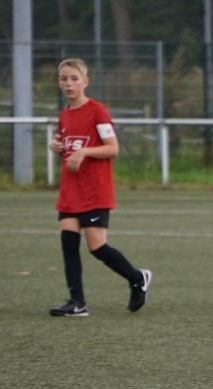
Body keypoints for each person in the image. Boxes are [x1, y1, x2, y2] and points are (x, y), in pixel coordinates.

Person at [47, 58, 151, 317]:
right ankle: (77, 303)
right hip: (70, 189)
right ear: (59, 82)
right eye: (64, 78)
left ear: (85, 82)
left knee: (97, 247)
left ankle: (137, 278)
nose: (69, 83)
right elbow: (69, 146)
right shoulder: (64, 115)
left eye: (74, 78)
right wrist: (57, 146)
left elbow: (112, 148)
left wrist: (85, 152)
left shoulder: (97, 111)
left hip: (94, 190)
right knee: (68, 244)